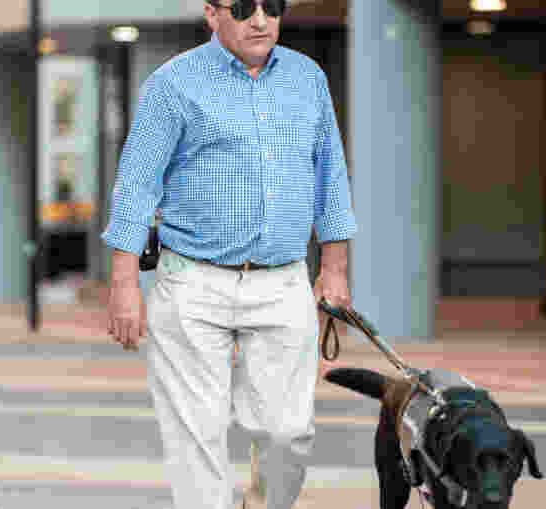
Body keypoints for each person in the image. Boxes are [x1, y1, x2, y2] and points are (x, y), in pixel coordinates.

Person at [102, 1, 357, 508]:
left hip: (283, 281)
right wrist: (125, 284)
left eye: (273, 5)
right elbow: (136, 186)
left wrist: (334, 267)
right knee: (197, 442)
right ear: (212, 13)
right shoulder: (173, 84)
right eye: (242, 7)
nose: (259, 19)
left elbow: (331, 177)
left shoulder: (308, 80)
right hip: (191, 283)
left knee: (288, 434)